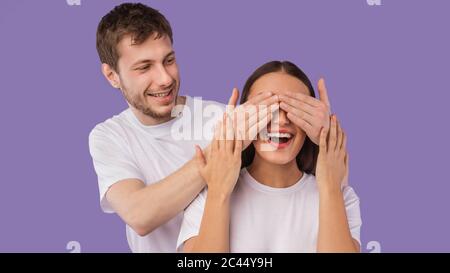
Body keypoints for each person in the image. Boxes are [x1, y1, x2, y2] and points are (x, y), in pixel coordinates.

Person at [89, 3, 331, 252]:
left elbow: (304, 172)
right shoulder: (109, 136)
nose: (165, 78)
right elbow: (139, 215)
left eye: (169, 60)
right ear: (111, 75)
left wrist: (326, 135)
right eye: (144, 67)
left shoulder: (224, 118)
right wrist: (224, 147)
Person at [177, 61, 361, 252]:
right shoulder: (206, 197)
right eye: (266, 107)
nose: (281, 119)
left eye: (295, 108)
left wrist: (331, 187)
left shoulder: (341, 198)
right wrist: (219, 192)